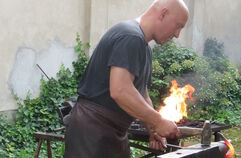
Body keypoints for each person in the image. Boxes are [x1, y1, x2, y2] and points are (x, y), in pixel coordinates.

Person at [64, 0, 189, 157]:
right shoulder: (130, 36)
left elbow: (143, 94)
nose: (177, 34)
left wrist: (152, 129)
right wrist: (158, 121)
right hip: (92, 133)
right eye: (178, 26)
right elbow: (120, 90)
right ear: (163, 14)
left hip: (114, 133)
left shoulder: (145, 48)